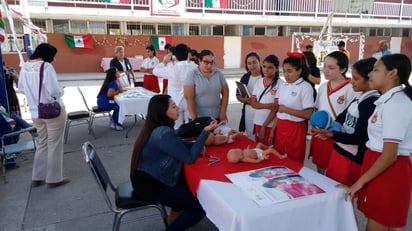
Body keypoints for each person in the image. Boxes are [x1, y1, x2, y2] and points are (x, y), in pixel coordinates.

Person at [341, 54, 412, 230]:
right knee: (381, 220)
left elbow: (389, 156)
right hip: (378, 165)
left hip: (388, 170)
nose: (370, 74)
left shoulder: (396, 104)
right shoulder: (387, 100)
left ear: (392, 73)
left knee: (379, 222)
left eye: (376, 70)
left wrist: (359, 182)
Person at [130, 94, 220, 231]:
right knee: (199, 208)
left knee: (186, 182)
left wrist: (196, 144)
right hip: (152, 185)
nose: (178, 108)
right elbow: (189, 158)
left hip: (148, 178)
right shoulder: (163, 133)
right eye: (173, 106)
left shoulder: (157, 127)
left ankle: (173, 216)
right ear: (163, 112)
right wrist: (205, 132)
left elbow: (177, 144)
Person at [312, 57, 380, 186]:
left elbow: (360, 137)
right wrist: (330, 129)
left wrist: (333, 135)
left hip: (350, 156)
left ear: (370, 79)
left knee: (340, 194)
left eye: (356, 78)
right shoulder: (361, 97)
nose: (352, 82)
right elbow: (341, 117)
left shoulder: (370, 103)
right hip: (341, 150)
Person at [18, 43, 69, 188]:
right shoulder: (46, 67)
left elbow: (21, 89)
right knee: (54, 144)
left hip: (35, 112)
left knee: (42, 143)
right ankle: (54, 179)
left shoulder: (25, 67)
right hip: (52, 112)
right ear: (47, 55)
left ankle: (37, 177)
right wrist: (62, 90)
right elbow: (54, 91)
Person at [309, 51, 358, 174]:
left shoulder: (352, 88)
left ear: (343, 69)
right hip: (320, 133)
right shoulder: (323, 86)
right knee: (320, 168)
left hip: (338, 136)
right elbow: (316, 108)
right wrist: (311, 124)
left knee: (336, 171)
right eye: (324, 66)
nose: (325, 70)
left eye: (331, 68)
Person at [272, 52, 314, 163]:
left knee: (293, 159)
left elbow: (308, 114)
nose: (286, 75)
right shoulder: (283, 85)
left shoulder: (305, 87)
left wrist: (286, 110)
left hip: (295, 128)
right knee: (279, 156)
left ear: (299, 71)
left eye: (289, 71)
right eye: (284, 71)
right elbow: (278, 109)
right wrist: (273, 129)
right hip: (281, 126)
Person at [153, 43, 197, 129]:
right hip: (191, 100)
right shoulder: (195, 67)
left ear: (175, 56)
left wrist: (164, 62)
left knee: (177, 127)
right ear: (188, 54)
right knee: (192, 126)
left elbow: (155, 71)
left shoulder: (173, 68)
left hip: (176, 102)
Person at [184, 49, 229, 122]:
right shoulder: (192, 75)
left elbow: (226, 93)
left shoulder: (218, 74)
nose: (209, 65)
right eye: (206, 62)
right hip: (199, 118)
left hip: (216, 117)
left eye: (211, 62)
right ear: (199, 61)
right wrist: (195, 119)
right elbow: (189, 98)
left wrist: (223, 113)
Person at [250, 54, 283, 145]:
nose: (266, 70)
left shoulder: (280, 84)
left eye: (270, 67)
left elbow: (276, 108)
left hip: (270, 125)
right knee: (259, 150)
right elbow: (253, 103)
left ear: (276, 69)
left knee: (269, 152)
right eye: (264, 66)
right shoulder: (259, 82)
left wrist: (264, 126)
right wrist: (268, 105)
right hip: (258, 122)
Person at [236, 51, 262, 140]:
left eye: (254, 62)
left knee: (260, 139)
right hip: (248, 114)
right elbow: (238, 95)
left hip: (262, 114)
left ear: (259, 62)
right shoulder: (245, 77)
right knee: (249, 137)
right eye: (249, 63)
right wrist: (245, 100)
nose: (252, 65)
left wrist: (255, 102)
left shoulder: (265, 77)